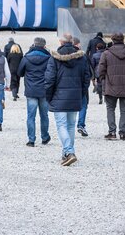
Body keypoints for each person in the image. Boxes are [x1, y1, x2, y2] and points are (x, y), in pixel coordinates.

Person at [45, 33, 89, 166]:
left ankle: (69, 152)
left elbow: (49, 79)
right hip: (75, 96)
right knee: (70, 125)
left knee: (61, 125)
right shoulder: (81, 58)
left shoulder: (55, 58)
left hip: (59, 97)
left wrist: (49, 96)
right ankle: (67, 153)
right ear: (72, 42)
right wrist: (81, 93)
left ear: (61, 42)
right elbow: (86, 77)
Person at [99, 32, 125, 140]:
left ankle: (112, 132)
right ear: (123, 40)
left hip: (111, 85)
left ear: (112, 41)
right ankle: (122, 133)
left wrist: (104, 79)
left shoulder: (106, 53)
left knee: (110, 109)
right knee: (124, 110)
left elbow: (101, 71)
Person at [18, 37, 51, 147]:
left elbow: (20, 72)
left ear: (34, 44)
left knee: (31, 116)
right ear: (44, 46)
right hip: (44, 90)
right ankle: (45, 137)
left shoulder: (27, 57)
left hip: (31, 90)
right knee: (44, 115)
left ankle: (31, 139)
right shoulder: (48, 58)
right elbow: (52, 74)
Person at [73, 36, 93, 137]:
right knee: (83, 106)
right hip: (81, 86)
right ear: (78, 45)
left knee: (70, 107)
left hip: (69, 87)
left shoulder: (64, 55)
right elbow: (88, 73)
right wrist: (86, 86)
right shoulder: (83, 56)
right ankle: (81, 125)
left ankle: (70, 126)